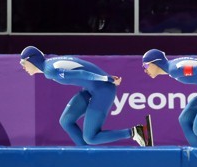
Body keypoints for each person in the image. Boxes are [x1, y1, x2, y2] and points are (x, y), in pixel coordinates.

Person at [19, 46, 153, 146]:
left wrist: (107, 78)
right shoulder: (50, 63)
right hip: (92, 89)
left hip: (103, 91)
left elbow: (82, 74)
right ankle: (85, 154)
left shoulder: (50, 71)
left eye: (23, 63)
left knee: (91, 138)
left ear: (31, 60)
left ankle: (135, 131)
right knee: (66, 121)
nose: (23, 68)